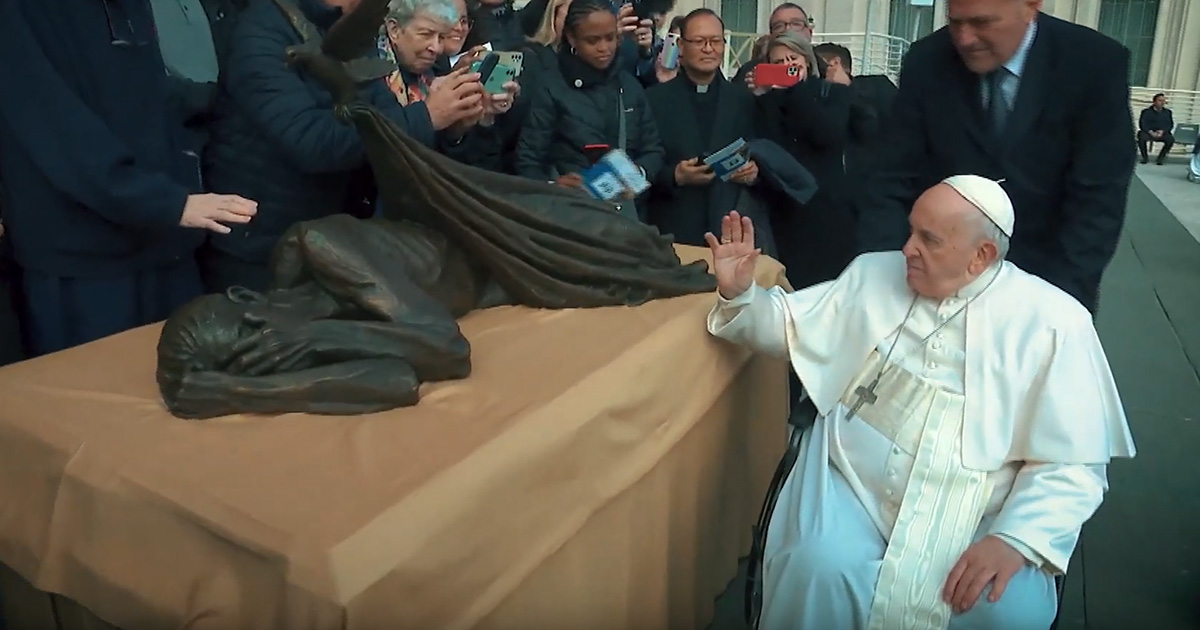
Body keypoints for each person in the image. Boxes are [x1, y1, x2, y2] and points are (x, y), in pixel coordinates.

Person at [705, 176, 1135, 630]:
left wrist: (1016, 538)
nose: (907, 248)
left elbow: (1073, 465)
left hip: (984, 515)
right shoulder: (874, 275)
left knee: (1003, 610)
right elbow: (788, 328)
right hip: (855, 493)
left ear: (982, 256)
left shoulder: (1055, 323)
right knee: (818, 568)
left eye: (929, 240)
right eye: (911, 231)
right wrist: (742, 294)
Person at [0, 0, 258, 356]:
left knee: (187, 390)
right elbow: (56, 129)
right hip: (87, 262)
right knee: (92, 401)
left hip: (166, 241)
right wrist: (166, 202)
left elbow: (145, 98)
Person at [855, 0, 1136, 316]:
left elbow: (1097, 202)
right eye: (955, 22)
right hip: (935, 285)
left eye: (982, 22)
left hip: (1046, 282)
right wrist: (884, 280)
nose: (964, 39)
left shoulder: (1093, 64)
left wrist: (1056, 308)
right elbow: (892, 178)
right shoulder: (926, 61)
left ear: (1031, 6)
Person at [1137, 93, 1174, 165]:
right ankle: (1145, 157)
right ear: (1154, 102)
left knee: (1170, 139)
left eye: (1163, 101)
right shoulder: (1146, 112)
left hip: (1161, 132)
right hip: (1149, 132)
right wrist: (1150, 132)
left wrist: (1162, 131)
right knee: (1141, 137)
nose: (1162, 103)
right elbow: (1142, 124)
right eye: (1160, 100)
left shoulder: (1167, 112)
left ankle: (1160, 158)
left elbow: (1170, 124)